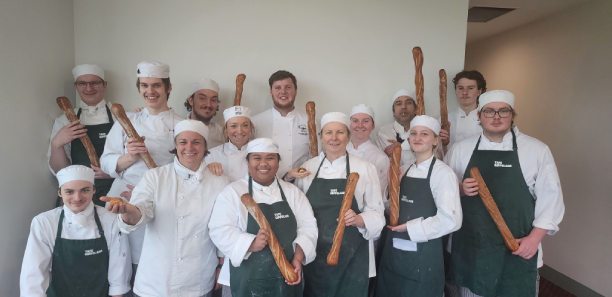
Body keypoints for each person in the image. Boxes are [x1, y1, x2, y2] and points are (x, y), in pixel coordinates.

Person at [445, 90, 565, 297]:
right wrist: (460, 189)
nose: (496, 116)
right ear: (480, 115)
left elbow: (551, 198)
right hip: (471, 245)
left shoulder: (536, 150)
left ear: (512, 114)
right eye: (490, 111)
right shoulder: (460, 149)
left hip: (517, 244)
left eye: (503, 111)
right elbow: (443, 190)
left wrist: (534, 239)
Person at [103, 119, 229, 297]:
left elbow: (223, 227)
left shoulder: (219, 181)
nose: (189, 147)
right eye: (183, 142)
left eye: (196, 142)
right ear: (175, 146)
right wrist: (129, 211)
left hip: (198, 278)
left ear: (205, 146)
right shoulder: (154, 177)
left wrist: (222, 266)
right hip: (156, 280)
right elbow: (141, 210)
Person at [100, 60, 183, 295]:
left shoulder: (181, 124)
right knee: (119, 259)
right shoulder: (126, 121)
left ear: (168, 87)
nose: (150, 91)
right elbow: (106, 161)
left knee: (152, 259)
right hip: (123, 195)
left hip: (161, 200)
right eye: (144, 85)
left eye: (156, 85)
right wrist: (129, 156)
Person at [288, 112, 385, 297]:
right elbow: (297, 214)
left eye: (340, 132)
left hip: (354, 257)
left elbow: (377, 212)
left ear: (348, 136)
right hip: (314, 255)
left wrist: (359, 219)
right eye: (328, 132)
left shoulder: (365, 168)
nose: (334, 138)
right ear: (321, 137)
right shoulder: (308, 168)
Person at [209, 138, 318, 297]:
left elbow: (308, 227)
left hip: (286, 278)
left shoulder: (292, 193)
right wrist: (250, 243)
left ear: (278, 163)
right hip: (243, 280)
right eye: (257, 158)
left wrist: (298, 257)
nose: (263, 163)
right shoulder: (232, 192)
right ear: (248, 162)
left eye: (270, 157)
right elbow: (219, 230)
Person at [376, 115, 462, 297]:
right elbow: (387, 209)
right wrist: (393, 188)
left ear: (436, 140)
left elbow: (451, 220)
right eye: (413, 133)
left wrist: (410, 227)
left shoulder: (443, 173)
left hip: (423, 255)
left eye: (424, 134)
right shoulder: (405, 169)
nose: (417, 138)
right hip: (393, 250)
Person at [20, 165, 131, 297]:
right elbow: (34, 270)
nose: (77, 198)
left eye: (85, 190)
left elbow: (118, 264)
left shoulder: (110, 219)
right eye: (69, 191)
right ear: (60, 193)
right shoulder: (44, 222)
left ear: (93, 190)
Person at [48, 64, 114, 207]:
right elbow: (60, 171)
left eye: (95, 83)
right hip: (77, 197)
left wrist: (113, 171)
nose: (88, 88)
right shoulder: (64, 120)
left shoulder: (119, 117)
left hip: (115, 191)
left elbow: (134, 162)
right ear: (76, 86)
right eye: (82, 83)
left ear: (104, 85)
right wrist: (56, 144)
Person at [251, 70, 315, 177]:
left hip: (300, 185)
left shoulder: (309, 123)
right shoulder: (255, 122)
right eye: (277, 88)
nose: (283, 92)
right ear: (271, 92)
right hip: (265, 186)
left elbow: (315, 158)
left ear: (296, 91)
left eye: (288, 87)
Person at [347, 104, 389, 201]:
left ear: (373, 126)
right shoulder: (339, 151)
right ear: (350, 124)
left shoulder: (380, 158)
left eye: (366, 121)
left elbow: (379, 195)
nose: (360, 125)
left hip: (365, 212)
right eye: (355, 121)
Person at [439, 70, 487, 151]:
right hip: (449, 163)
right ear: (456, 91)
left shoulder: (488, 119)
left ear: (479, 92)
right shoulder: (444, 120)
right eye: (460, 88)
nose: (465, 92)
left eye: (470, 88)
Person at [205, 105, 254, 182]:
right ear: (226, 128)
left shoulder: (262, 153)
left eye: (245, 125)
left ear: (250, 127)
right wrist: (208, 170)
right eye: (233, 126)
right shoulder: (211, 155)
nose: (240, 131)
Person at [375, 89, 418, 166]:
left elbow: (430, 159)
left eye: (408, 103)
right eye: (399, 104)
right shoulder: (384, 132)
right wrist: (414, 148)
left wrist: (401, 147)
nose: (404, 107)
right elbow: (393, 161)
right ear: (393, 112)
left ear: (416, 110)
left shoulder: (426, 131)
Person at [184, 78, 225, 149]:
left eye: (213, 100)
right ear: (191, 101)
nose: (208, 104)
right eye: (202, 98)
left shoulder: (222, 134)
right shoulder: (177, 129)